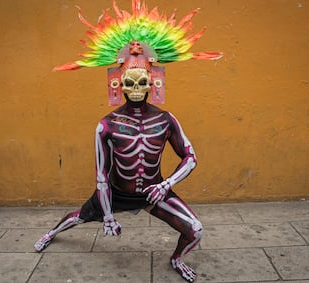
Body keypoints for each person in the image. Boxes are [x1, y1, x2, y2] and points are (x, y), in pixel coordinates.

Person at [35, 2, 222, 282]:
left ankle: (176, 258)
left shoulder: (166, 119)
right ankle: (51, 233)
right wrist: (108, 214)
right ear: (117, 84)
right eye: (129, 83)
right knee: (78, 217)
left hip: (152, 192)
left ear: (153, 83)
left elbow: (190, 157)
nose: (136, 90)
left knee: (196, 229)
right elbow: (101, 174)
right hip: (116, 192)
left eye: (141, 82)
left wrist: (165, 185)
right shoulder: (106, 125)